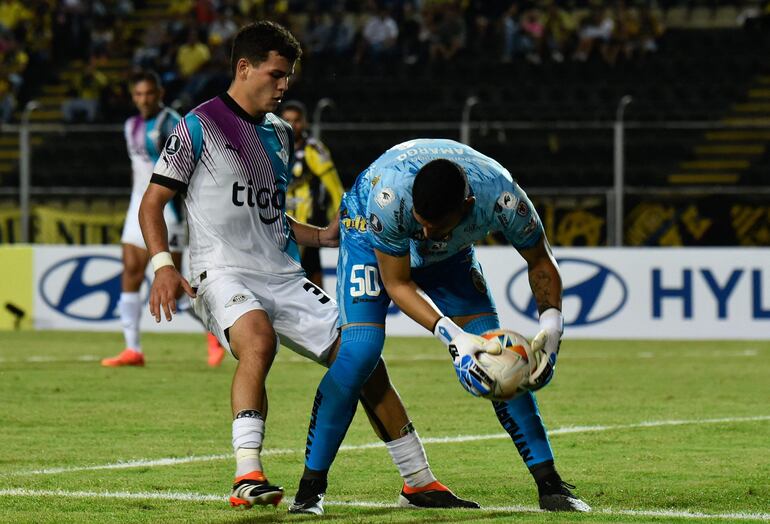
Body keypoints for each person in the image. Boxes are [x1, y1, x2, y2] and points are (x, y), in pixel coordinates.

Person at [139, 22, 477, 513]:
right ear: (244, 67)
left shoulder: (279, 134)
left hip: (284, 275)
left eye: (289, 77)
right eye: (276, 75)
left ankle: (418, 481)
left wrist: (317, 235)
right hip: (222, 271)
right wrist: (162, 265)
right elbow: (152, 204)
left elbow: (270, 214)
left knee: (362, 361)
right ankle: (247, 474)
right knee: (258, 340)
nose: (284, 86)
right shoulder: (198, 125)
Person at [292, 138, 592, 513]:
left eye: (438, 225)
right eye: (423, 222)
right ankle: (309, 491)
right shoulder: (390, 199)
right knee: (359, 351)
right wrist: (453, 337)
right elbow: (398, 282)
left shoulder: (502, 197)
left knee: (497, 356)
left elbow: (540, 260)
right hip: (370, 241)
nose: (428, 233)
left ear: (468, 206)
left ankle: (551, 485)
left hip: (451, 259)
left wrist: (551, 331)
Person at [101, 70, 225, 368]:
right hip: (138, 205)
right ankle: (133, 349)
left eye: (149, 94)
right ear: (133, 97)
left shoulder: (172, 124)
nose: (144, 100)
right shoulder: (130, 125)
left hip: (168, 210)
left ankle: (216, 333)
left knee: (175, 285)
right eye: (139, 94)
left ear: (160, 94)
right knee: (130, 270)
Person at [280, 100, 344, 288]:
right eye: (287, 120)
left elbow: (335, 188)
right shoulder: (273, 148)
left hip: (307, 221)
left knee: (309, 271)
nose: (292, 125)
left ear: (305, 122)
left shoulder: (313, 149)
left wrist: (339, 217)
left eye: (296, 120)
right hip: (280, 221)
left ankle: (323, 313)